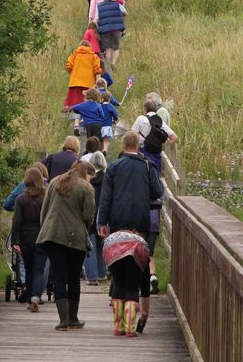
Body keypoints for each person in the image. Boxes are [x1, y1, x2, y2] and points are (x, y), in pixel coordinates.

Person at [97, 131, 163, 337]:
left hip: (117, 228)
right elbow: (158, 191)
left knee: (118, 277)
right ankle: (131, 327)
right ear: (138, 146)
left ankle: (118, 326)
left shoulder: (114, 167)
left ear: (123, 145)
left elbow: (105, 198)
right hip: (140, 230)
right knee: (135, 278)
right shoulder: (146, 166)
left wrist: (102, 222)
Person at [37, 161, 96, 331]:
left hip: (53, 235)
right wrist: (84, 230)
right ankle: (73, 318)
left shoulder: (55, 182)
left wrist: (45, 230)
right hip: (75, 238)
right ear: (87, 173)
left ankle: (63, 321)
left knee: (60, 276)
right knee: (73, 277)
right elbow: (88, 215)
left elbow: (44, 211)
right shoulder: (86, 188)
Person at [131, 98, 178, 295]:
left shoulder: (141, 119)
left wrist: (141, 143)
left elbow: (131, 136)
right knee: (155, 182)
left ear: (144, 109)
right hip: (157, 159)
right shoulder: (161, 122)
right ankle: (151, 275)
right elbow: (174, 137)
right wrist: (163, 144)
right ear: (156, 110)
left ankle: (140, 274)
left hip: (143, 157)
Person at [11, 168, 48, 312]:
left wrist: (15, 240)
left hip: (26, 238)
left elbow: (17, 221)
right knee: (39, 269)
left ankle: (29, 298)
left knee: (28, 269)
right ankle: (35, 297)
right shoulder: (45, 197)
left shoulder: (20, 199)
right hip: (42, 237)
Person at [84, 151, 107, 285]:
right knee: (101, 246)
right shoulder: (107, 178)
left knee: (90, 247)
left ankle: (92, 277)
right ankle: (102, 273)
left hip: (91, 215)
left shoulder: (89, 181)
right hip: (103, 216)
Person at [62, 40, 101, 110]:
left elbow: (68, 67)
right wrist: (98, 82)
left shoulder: (74, 55)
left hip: (74, 83)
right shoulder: (94, 57)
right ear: (90, 47)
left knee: (72, 107)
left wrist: (73, 75)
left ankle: (73, 120)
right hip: (88, 84)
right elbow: (97, 70)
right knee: (87, 106)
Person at [97, 0, 127, 68]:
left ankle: (107, 65)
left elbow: (97, 19)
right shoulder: (117, 4)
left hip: (104, 30)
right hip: (116, 29)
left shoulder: (99, 6)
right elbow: (125, 13)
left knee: (108, 48)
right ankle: (113, 63)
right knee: (116, 47)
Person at [99, 90, 118, 156]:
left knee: (99, 139)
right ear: (109, 99)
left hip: (99, 125)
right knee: (106, 139)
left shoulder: (99, 106)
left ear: (102, 99)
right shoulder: (110, 107)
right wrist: (115, 119)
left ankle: (98, 151)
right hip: (107, 125)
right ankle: (105, 149)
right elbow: (115, 114)